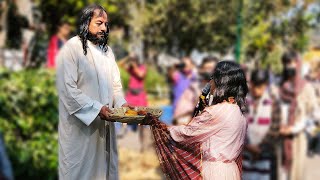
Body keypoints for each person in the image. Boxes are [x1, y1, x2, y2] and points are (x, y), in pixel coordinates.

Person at [56, 5, 129, 180]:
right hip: (81, 130)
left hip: (105, 127)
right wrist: (97, 109)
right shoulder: (72, 48)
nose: (104, 28)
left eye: (106, 24)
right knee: (81, 172)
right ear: (86, 22)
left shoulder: (107, 52)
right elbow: (67, 90)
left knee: (104, 172)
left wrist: (122, 105)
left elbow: (116, 87)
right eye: (99, 23)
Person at [143, 61, 248, 180]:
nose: (210, 83)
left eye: (212, 78)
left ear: (221, 82)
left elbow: (187, 133)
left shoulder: (215, 112)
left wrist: (158, 125)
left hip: (214, 173)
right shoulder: (239, 112)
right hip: (231, 172)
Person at [279, 51, 320, 180]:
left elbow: (315, 116)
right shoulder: (278, 87)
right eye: (286, 63)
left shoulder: (306, 88)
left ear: (298, 64)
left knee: (294, 175)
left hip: (298, 140)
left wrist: (296, 128)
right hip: (278, 139)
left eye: (292, 63)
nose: (289, 66)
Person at [243, 70, 281, 180]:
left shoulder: (273, 102)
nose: (256, 90)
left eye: (260, 86)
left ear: (266, 85)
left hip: (265, 155)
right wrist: (248, 146)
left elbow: (274, 129)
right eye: (254, 85)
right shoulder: (243, 101)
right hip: (245, 154)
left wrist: (260, 149)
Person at [173, 56, 218, 125]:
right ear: (202, 70)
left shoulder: (225, 91)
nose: (209, 72)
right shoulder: (192, 88)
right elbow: (181, 115)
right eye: (207, 68)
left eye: (212, 69)